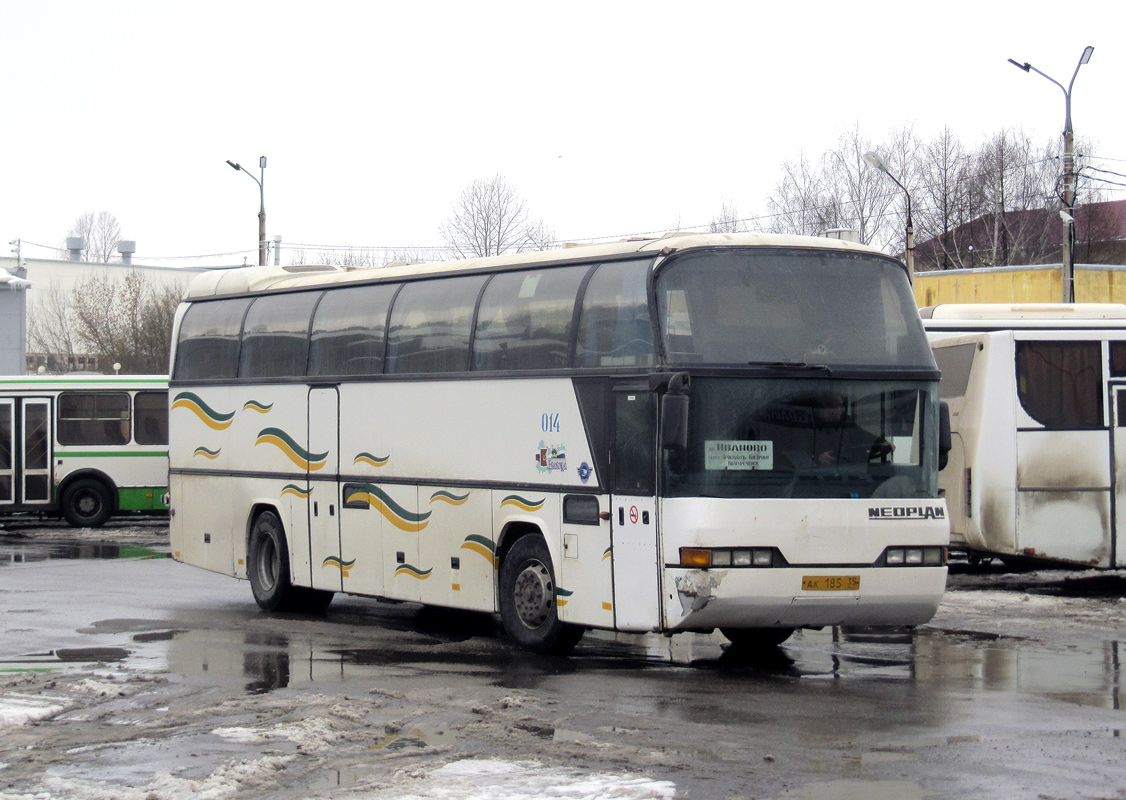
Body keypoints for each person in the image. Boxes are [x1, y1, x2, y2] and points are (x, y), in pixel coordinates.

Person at [809, 393, 893, 466]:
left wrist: (882, 442)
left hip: (850, 474)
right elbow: (799, 452)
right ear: (828, 407)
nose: (843, 409)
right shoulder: (807, 426)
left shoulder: (846, 423)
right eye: (840, 405)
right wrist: (817, 458)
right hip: (817, 478)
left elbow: (863, 436)